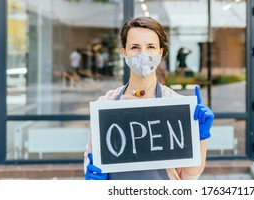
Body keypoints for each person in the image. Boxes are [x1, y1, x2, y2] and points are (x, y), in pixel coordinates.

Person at [84, 16, 214, 180]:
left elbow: (187, 177)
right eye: (135, 47)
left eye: (151, 47)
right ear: (124, 51)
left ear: (160, 52)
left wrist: (202, 137)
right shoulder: (105, 105)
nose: (143, 54)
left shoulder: (176, 105)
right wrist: (92, 181)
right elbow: (91, 160)